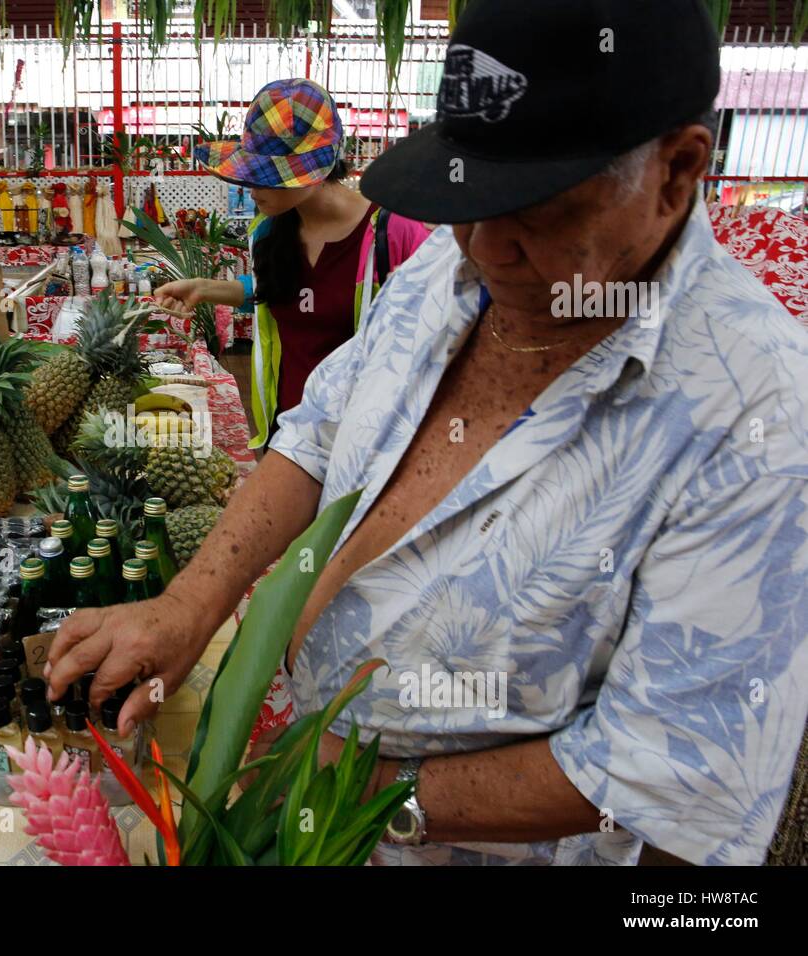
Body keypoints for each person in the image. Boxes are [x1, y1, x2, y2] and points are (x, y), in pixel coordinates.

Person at [48, 0, 808, 866]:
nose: (483, 245)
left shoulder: (758, 415)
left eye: (535, 209)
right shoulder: (453, 265)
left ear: (677, 171)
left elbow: (673, 773)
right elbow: (319, 431)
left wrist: (358, 791)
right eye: (467, 198)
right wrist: (185, 608)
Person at [154, 79, 429, 447]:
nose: (252, 187)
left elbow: (438, 339)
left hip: (366, 446)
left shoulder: (394, 234)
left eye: (267, 177)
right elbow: (281, 293)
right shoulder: (268, 232)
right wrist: (206, 289)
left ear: (316, 171)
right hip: (286, 436)